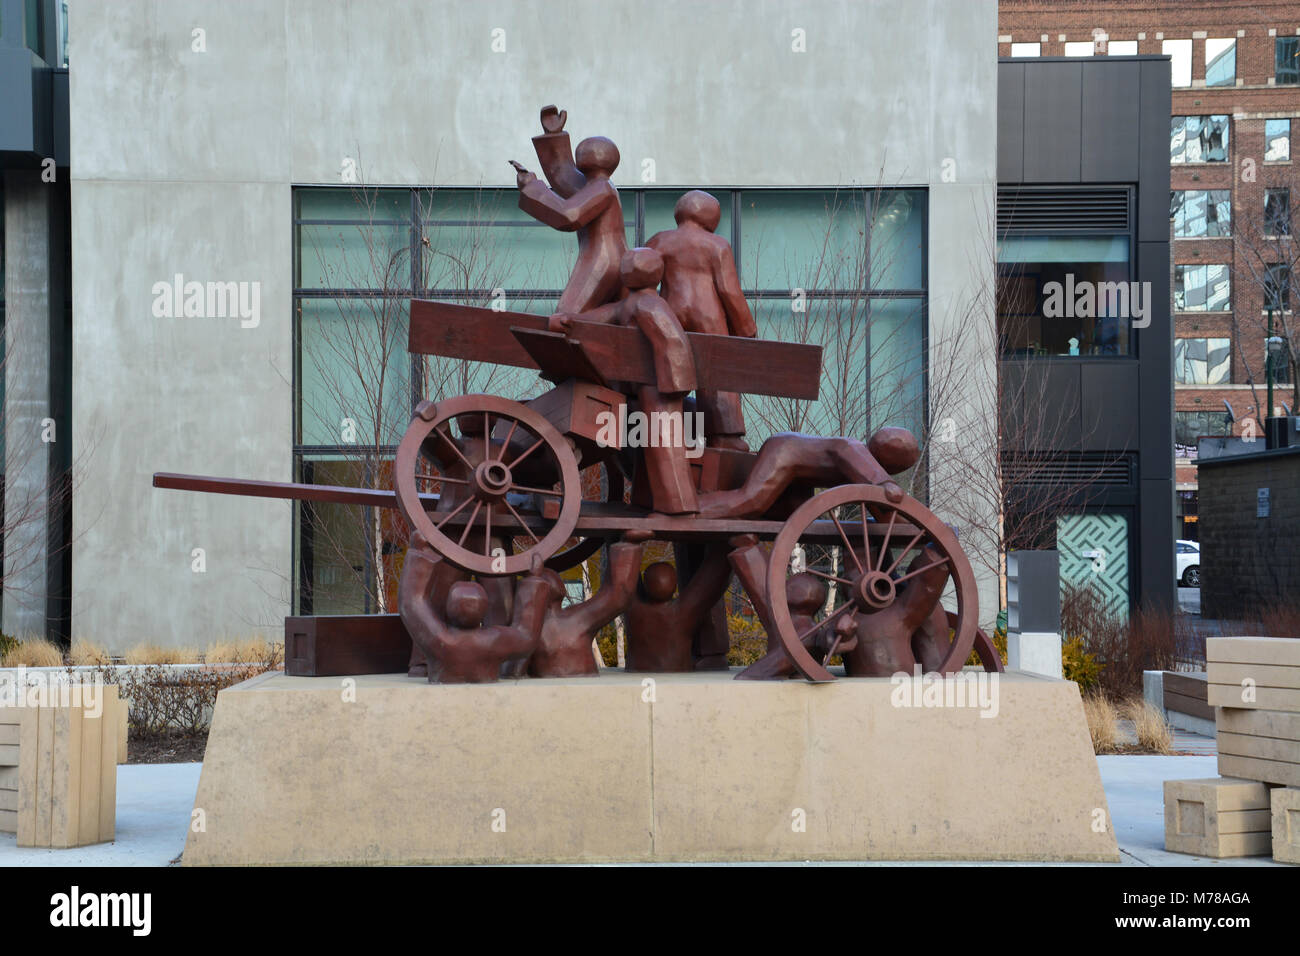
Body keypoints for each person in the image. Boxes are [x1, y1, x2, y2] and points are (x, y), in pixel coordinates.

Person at [647, 190, 756, 450]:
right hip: (708, 316)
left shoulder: (659, 240)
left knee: (667, 368)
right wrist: (746, 328)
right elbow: (729, 291)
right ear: (711, 217)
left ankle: (663, 428)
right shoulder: (717, 245)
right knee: (717, 373)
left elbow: (643, 277)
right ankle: (725, 435)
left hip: (670, 313)